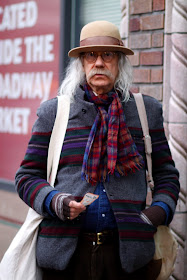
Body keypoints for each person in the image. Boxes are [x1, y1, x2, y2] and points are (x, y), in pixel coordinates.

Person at [15, 21, 180, 280]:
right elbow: (26, 177)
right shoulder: (54, 113)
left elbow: (167, 176)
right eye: (90, 55)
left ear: (119, 63)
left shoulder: (145, 112)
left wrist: (153, 216)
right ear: (81, 63)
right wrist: (57, 202)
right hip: (64, 255)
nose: (99, 63)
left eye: (108, 55)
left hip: (128, 258)